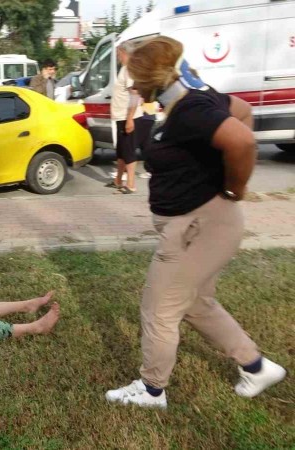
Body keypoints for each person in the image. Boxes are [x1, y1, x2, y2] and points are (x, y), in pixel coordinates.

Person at [105, 36, 286, 409]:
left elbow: (243, 141)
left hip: (198, 227)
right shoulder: (189, 99)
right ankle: (256, 366)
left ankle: (152, 390)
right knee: (196, 304)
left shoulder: (189, 108)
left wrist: (233, 188)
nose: (133, 87)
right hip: (202, 225)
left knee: (159, 309)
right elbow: (243, 113)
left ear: (153, 78)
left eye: (135, 80)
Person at [105, 41, 153, 194]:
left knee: (128, 151)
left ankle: (131, 184)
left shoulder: (130, 70)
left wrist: (130, 118)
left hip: (128, 117)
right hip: (122, 117)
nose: (118, 57)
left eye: (119, 54)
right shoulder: (125, 69)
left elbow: (134, 95)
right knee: (121, 151)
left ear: (126, 53)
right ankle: (118, 180)